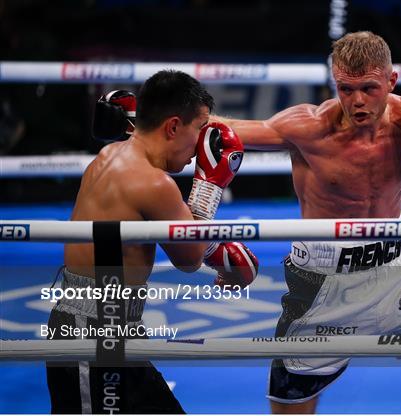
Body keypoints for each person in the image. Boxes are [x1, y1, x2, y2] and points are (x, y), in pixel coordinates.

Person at [213, 31, 401, 413]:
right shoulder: (308, 127)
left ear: (391, 82)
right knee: (290, 407)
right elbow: (219, 128)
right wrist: (141, 120)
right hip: (324, 284)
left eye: (368, 87)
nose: (357, 101)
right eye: (346, 89)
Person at [46, 70, 258, 413]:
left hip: (107, 327)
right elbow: (189, 258)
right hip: (95, 334)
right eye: (198, 131)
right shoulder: (153, 184)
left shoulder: (108, 156)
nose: (199, 148)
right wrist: (210, 184)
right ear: (173, 127)